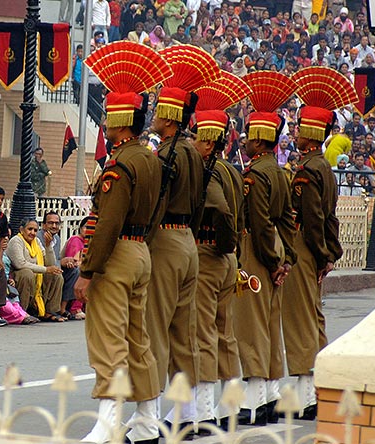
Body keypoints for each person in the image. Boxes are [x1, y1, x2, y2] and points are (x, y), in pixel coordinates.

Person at [73, 41, 168, 444]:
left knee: (109, 339)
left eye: (110, 115)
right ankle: (147, 421)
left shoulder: (121, 163)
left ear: (121, 119)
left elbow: (107, 222)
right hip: (141, 250)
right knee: (137, 338)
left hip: (115, 255)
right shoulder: (150, 157)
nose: (105, 123)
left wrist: (88, 269)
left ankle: (109, 423)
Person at [145, 44, 209, 430]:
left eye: (157, 111)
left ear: (169, 116)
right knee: (184, 331)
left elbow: (156, 203)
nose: (152, 117)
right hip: (188, 240)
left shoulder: (167, 154)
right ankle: (188, 411)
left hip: (166, 241)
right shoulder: (192, 152)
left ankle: (148, 416)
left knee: (155, 327)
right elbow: (200, 202)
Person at [233, 71, 298, 426]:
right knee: (270, 327)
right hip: (274, 255)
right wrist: (287, 258)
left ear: (260, 139)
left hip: (257, 255)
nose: (243, 142)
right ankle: (272, 395)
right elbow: (286, 221)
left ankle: (254, 401)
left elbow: (258, 224)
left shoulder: (254, 176)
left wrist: (272, 262)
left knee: (251, 328)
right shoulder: (280, 172)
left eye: (248, 137)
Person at [282, 68, 347, 419]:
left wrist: (320, 254)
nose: (293, 132)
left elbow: (312, 220)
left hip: (305, 249)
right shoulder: (323, 166)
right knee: (312, 319)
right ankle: (314, 390)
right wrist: (331, 253)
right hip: (317, 250)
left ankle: (308, 396)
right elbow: (329, 217)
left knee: (299, 321)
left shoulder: (307, 170)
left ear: (309, 132)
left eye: (298, 127)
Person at [186, 91, 247, 429]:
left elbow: (222, 211)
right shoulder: (233, 170)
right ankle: (231, 404)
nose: (193, 141)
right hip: (227, 259)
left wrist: (223, 244)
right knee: (225, 332)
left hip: (210, 254)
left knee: (203, 333)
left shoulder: (209, 172)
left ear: (208, 142)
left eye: (197, 136)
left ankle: (206, 409)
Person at [7, 218, 65, 321]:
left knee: (56, 275)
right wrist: (45, 270)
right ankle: (22, 312)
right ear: (21, 229)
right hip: (17, 276)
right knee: (27, 273)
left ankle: (50, 311)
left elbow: (50, 264)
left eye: (35, 230)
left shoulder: (37, 241)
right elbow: (20, 264)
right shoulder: (16, 241)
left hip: (36, 275)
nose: (32, 233)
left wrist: (48, 246)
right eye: (30, 229)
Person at [38, 211, 80, 319]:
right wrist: (60, 263)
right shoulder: (38, 238)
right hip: (42, 269)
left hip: (54, 266)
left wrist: (67, 261)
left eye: (57, 223)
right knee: (57, 274)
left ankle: (63, 307)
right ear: (44, 225)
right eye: (50, 223)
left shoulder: (56, 238)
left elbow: (56, 259)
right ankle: (51, 311)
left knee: (75, 271)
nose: (54, 226)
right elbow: (44, 261)